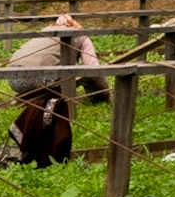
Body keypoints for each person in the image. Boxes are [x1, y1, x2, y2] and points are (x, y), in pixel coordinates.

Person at [6, 14, 108, 167]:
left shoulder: (44, 32)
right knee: (82, 71)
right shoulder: (80, 36)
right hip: (37, 78)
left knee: (65, 71)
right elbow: (94, 70)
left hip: (12, 78)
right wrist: (107, 95)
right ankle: (94, 100)